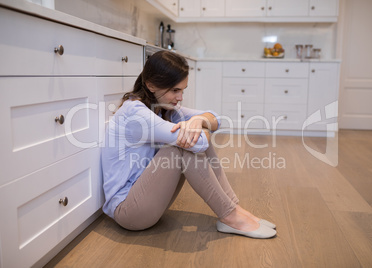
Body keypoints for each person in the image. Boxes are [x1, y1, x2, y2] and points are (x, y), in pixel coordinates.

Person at [101, 51, 276, 239]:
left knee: (189, 133)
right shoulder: (135, 113)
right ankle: (230, 216)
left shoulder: (163, 108)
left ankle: (234, 209)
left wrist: (199, 120)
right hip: (129, 212)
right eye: (175, 90)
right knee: (180, 147)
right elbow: (199, 142)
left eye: (183, 90)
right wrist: (200, 126)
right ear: (151, 85)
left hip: (147, 198)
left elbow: (216, 119)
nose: (180, 97)